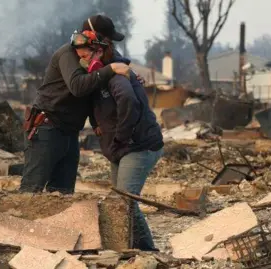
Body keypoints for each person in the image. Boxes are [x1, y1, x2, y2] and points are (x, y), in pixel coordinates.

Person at [75, 16, 164, 250]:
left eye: (85, 54)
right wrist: (96, 121)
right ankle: (133, 251)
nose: (81, 59)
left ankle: (148, 252)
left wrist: (120, 138)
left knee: (125, 203)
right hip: (123, 147)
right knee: (120, 203)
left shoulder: (116, 73)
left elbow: (128, 101)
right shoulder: (104, 72)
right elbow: (96, 100)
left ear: (99, 46)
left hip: (138, 145)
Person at [20, 15, 133, 194]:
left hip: (70, 131)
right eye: (108, 40)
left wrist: (129, 74)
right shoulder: (68, 54)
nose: (110, 45)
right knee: (31, 190)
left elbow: (113, 68)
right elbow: (78, 87)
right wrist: (110, 69)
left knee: (62, 193)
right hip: (48, 127)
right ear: (94, 37)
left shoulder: (98, 55)